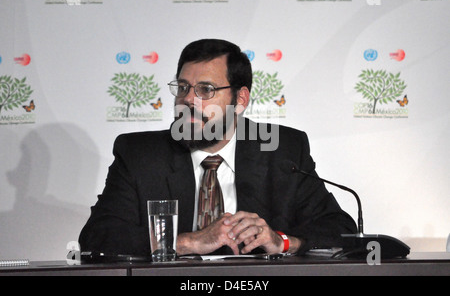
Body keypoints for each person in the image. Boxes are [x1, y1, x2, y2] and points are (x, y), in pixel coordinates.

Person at [79, 39, 356, 256]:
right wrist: (189, 241)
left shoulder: (282, 151)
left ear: (240, 99)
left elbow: (338, 229)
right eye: (183, 87)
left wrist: (281, 241)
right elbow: (99, 236)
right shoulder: (140, 154)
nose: (188, 100)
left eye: (205, 90)